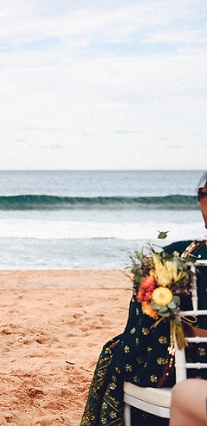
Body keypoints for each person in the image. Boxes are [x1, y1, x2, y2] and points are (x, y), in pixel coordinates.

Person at [81, 172, 207, 426]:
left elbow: (142, 329)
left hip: (185, 370)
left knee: (117, 353)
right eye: (203, 196)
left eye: (204, 196)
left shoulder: (178, 256)